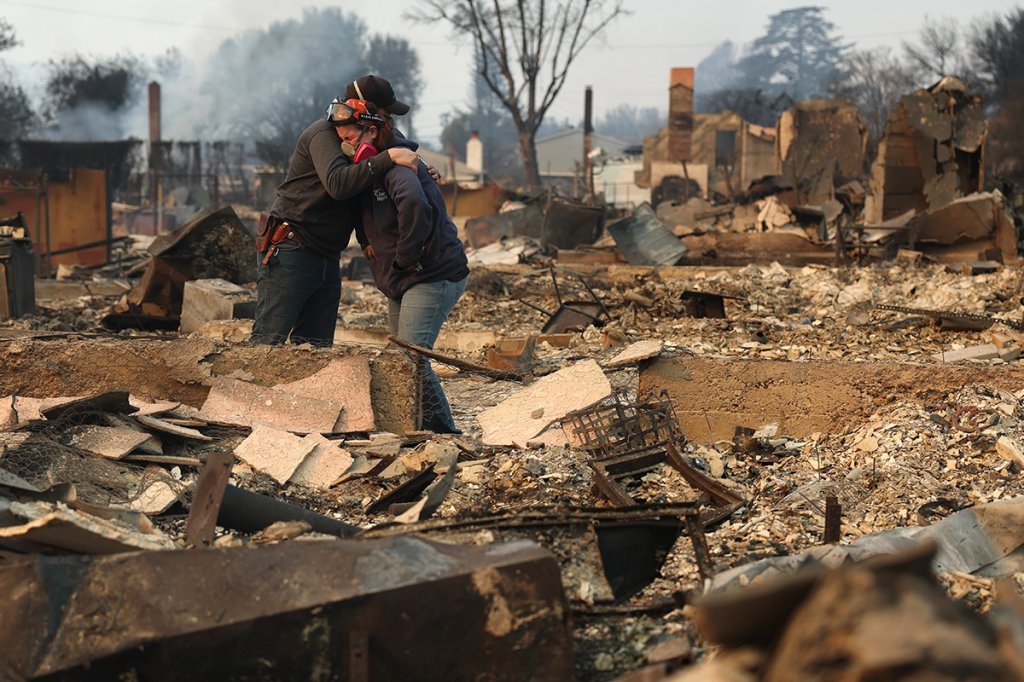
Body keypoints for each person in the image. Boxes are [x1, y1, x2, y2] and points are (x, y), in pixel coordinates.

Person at [250, 75, 421, 347]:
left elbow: (370, 180)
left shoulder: (370, 136)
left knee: (314, 348)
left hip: (327, 255)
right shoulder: (325, 134)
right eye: (386, 115)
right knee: (267, 342)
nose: (389, 122)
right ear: (366, 110)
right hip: (293, 248)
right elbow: (339, 184)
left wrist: (420, 167)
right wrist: (387, 158)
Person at [334, 99, 470, 434]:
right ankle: (413, 429)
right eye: (344, 139)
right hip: (403, 278)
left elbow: (413, 203)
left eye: (353, 138)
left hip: (431, 274)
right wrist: (366, 237)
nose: (348, 145)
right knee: (400, 359)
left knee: (411, 361)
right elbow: (365, 209)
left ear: (374, 130)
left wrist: (405, 258)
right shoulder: (376, 169)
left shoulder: (398, 167)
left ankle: (444, 432)